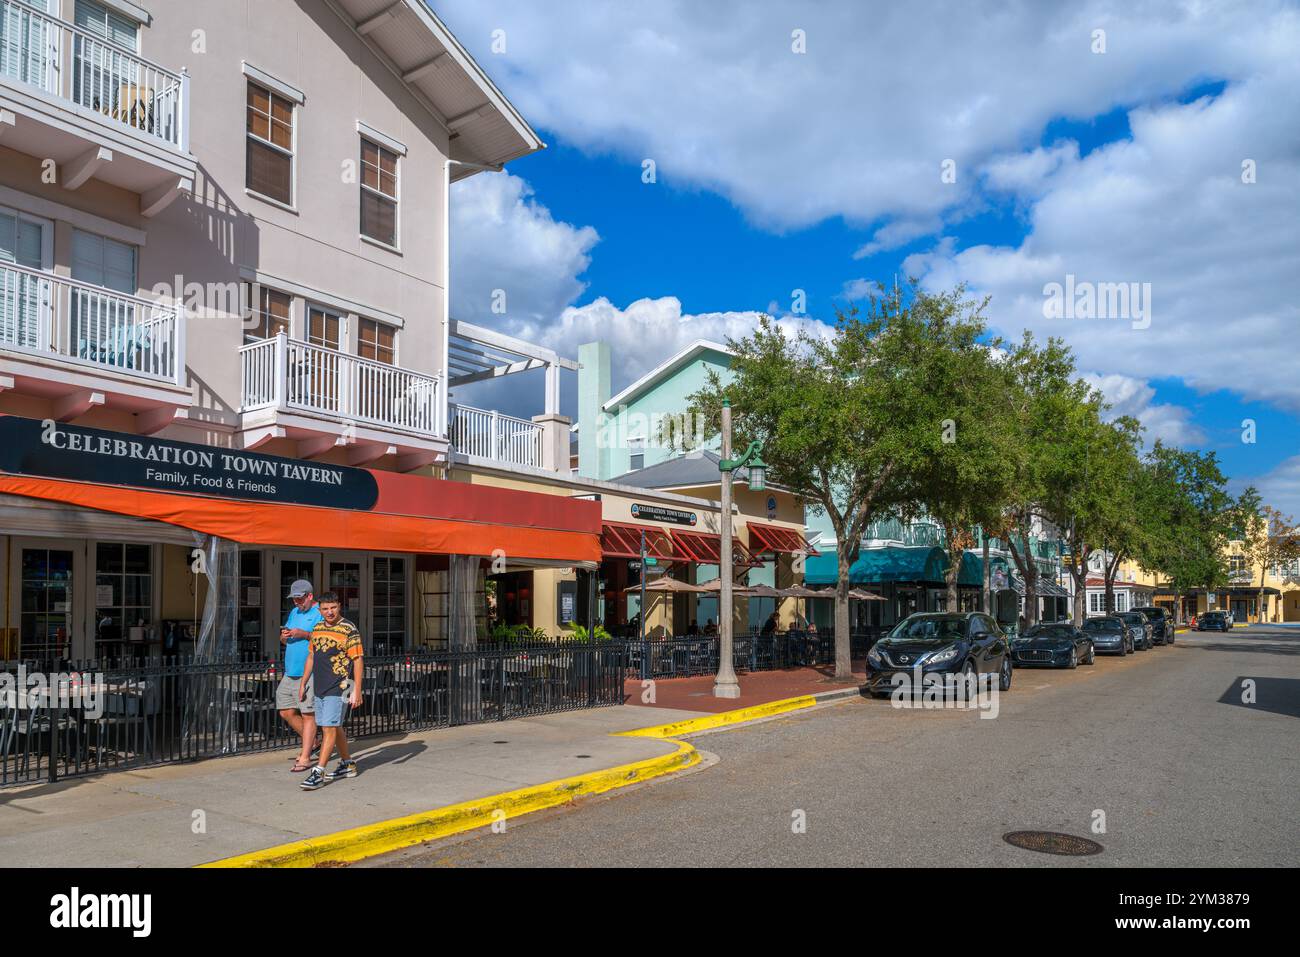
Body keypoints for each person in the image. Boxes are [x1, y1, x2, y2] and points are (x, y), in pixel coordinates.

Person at [299, 591, 364, 790]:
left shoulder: (349, 629)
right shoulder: (317, 628)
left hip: (341, 686)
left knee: (328, 728)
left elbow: (358, 659)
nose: (330, 612)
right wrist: (303, 682)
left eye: (333, 607)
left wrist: (358, 690)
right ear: (319, 610)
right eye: (325, 609)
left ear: (339, 607)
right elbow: (311, 656)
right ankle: (347, 764)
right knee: (334, 727)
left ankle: (318, 771)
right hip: (320, 686)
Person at [277, 579, 321, 774]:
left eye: (299, 599)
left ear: (309, 596)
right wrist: (284, 637)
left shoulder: (320, 612)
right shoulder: (294, 612)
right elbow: (284, 639)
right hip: (291, 670)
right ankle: (313, 742)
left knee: (307, 713)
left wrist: (304, 634)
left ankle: (305, 757)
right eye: (294, 599)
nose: (296, 603)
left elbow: (324, 639)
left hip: (310, 671)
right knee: (285, 711)